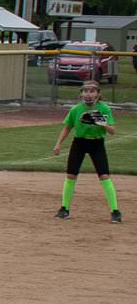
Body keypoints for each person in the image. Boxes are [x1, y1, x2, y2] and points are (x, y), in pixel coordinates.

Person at [52, 81, 120, 223]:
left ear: (98, 94)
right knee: (71, 174)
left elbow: (113, 131)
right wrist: (58, 144)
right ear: (81, 93)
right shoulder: (76, 109)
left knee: (104, 175)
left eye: (92, 91)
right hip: (79, 143)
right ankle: (64, 208)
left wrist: (101, 122)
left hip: (97, 143)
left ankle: (115, 211)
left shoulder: (104, 108)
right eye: (85, 91)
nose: (88, 94)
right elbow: (67, 127)